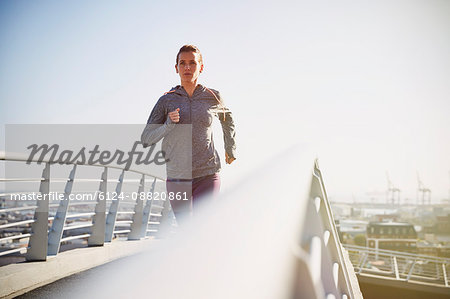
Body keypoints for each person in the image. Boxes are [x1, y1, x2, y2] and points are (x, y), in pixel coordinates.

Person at [141, 45, 236, 220]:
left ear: (201, 67)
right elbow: (146, 138)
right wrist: (167, 125)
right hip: (178, 177)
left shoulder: (213, 97)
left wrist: (230, 148)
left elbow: (227, 119)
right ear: (176, 68)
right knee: (186, 229)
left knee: (202, 227)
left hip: (208, 173)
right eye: (182, 63)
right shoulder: (166, 100)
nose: (187, 67)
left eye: (192, 63)